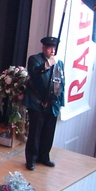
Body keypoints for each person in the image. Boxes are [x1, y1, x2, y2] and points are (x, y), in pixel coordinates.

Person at [22, 36, 65, 171]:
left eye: (54, 48)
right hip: (37, 102)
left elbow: (61, 83)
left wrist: (61, 102)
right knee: (35, 133)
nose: (52, 51)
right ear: (44, 48)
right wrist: (47, 65)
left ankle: (44, 156)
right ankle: (31, 159)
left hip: (53, 103)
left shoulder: (59, 63)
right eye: (50, 48)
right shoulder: (35, 59)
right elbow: (35, 73)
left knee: (48, 132)